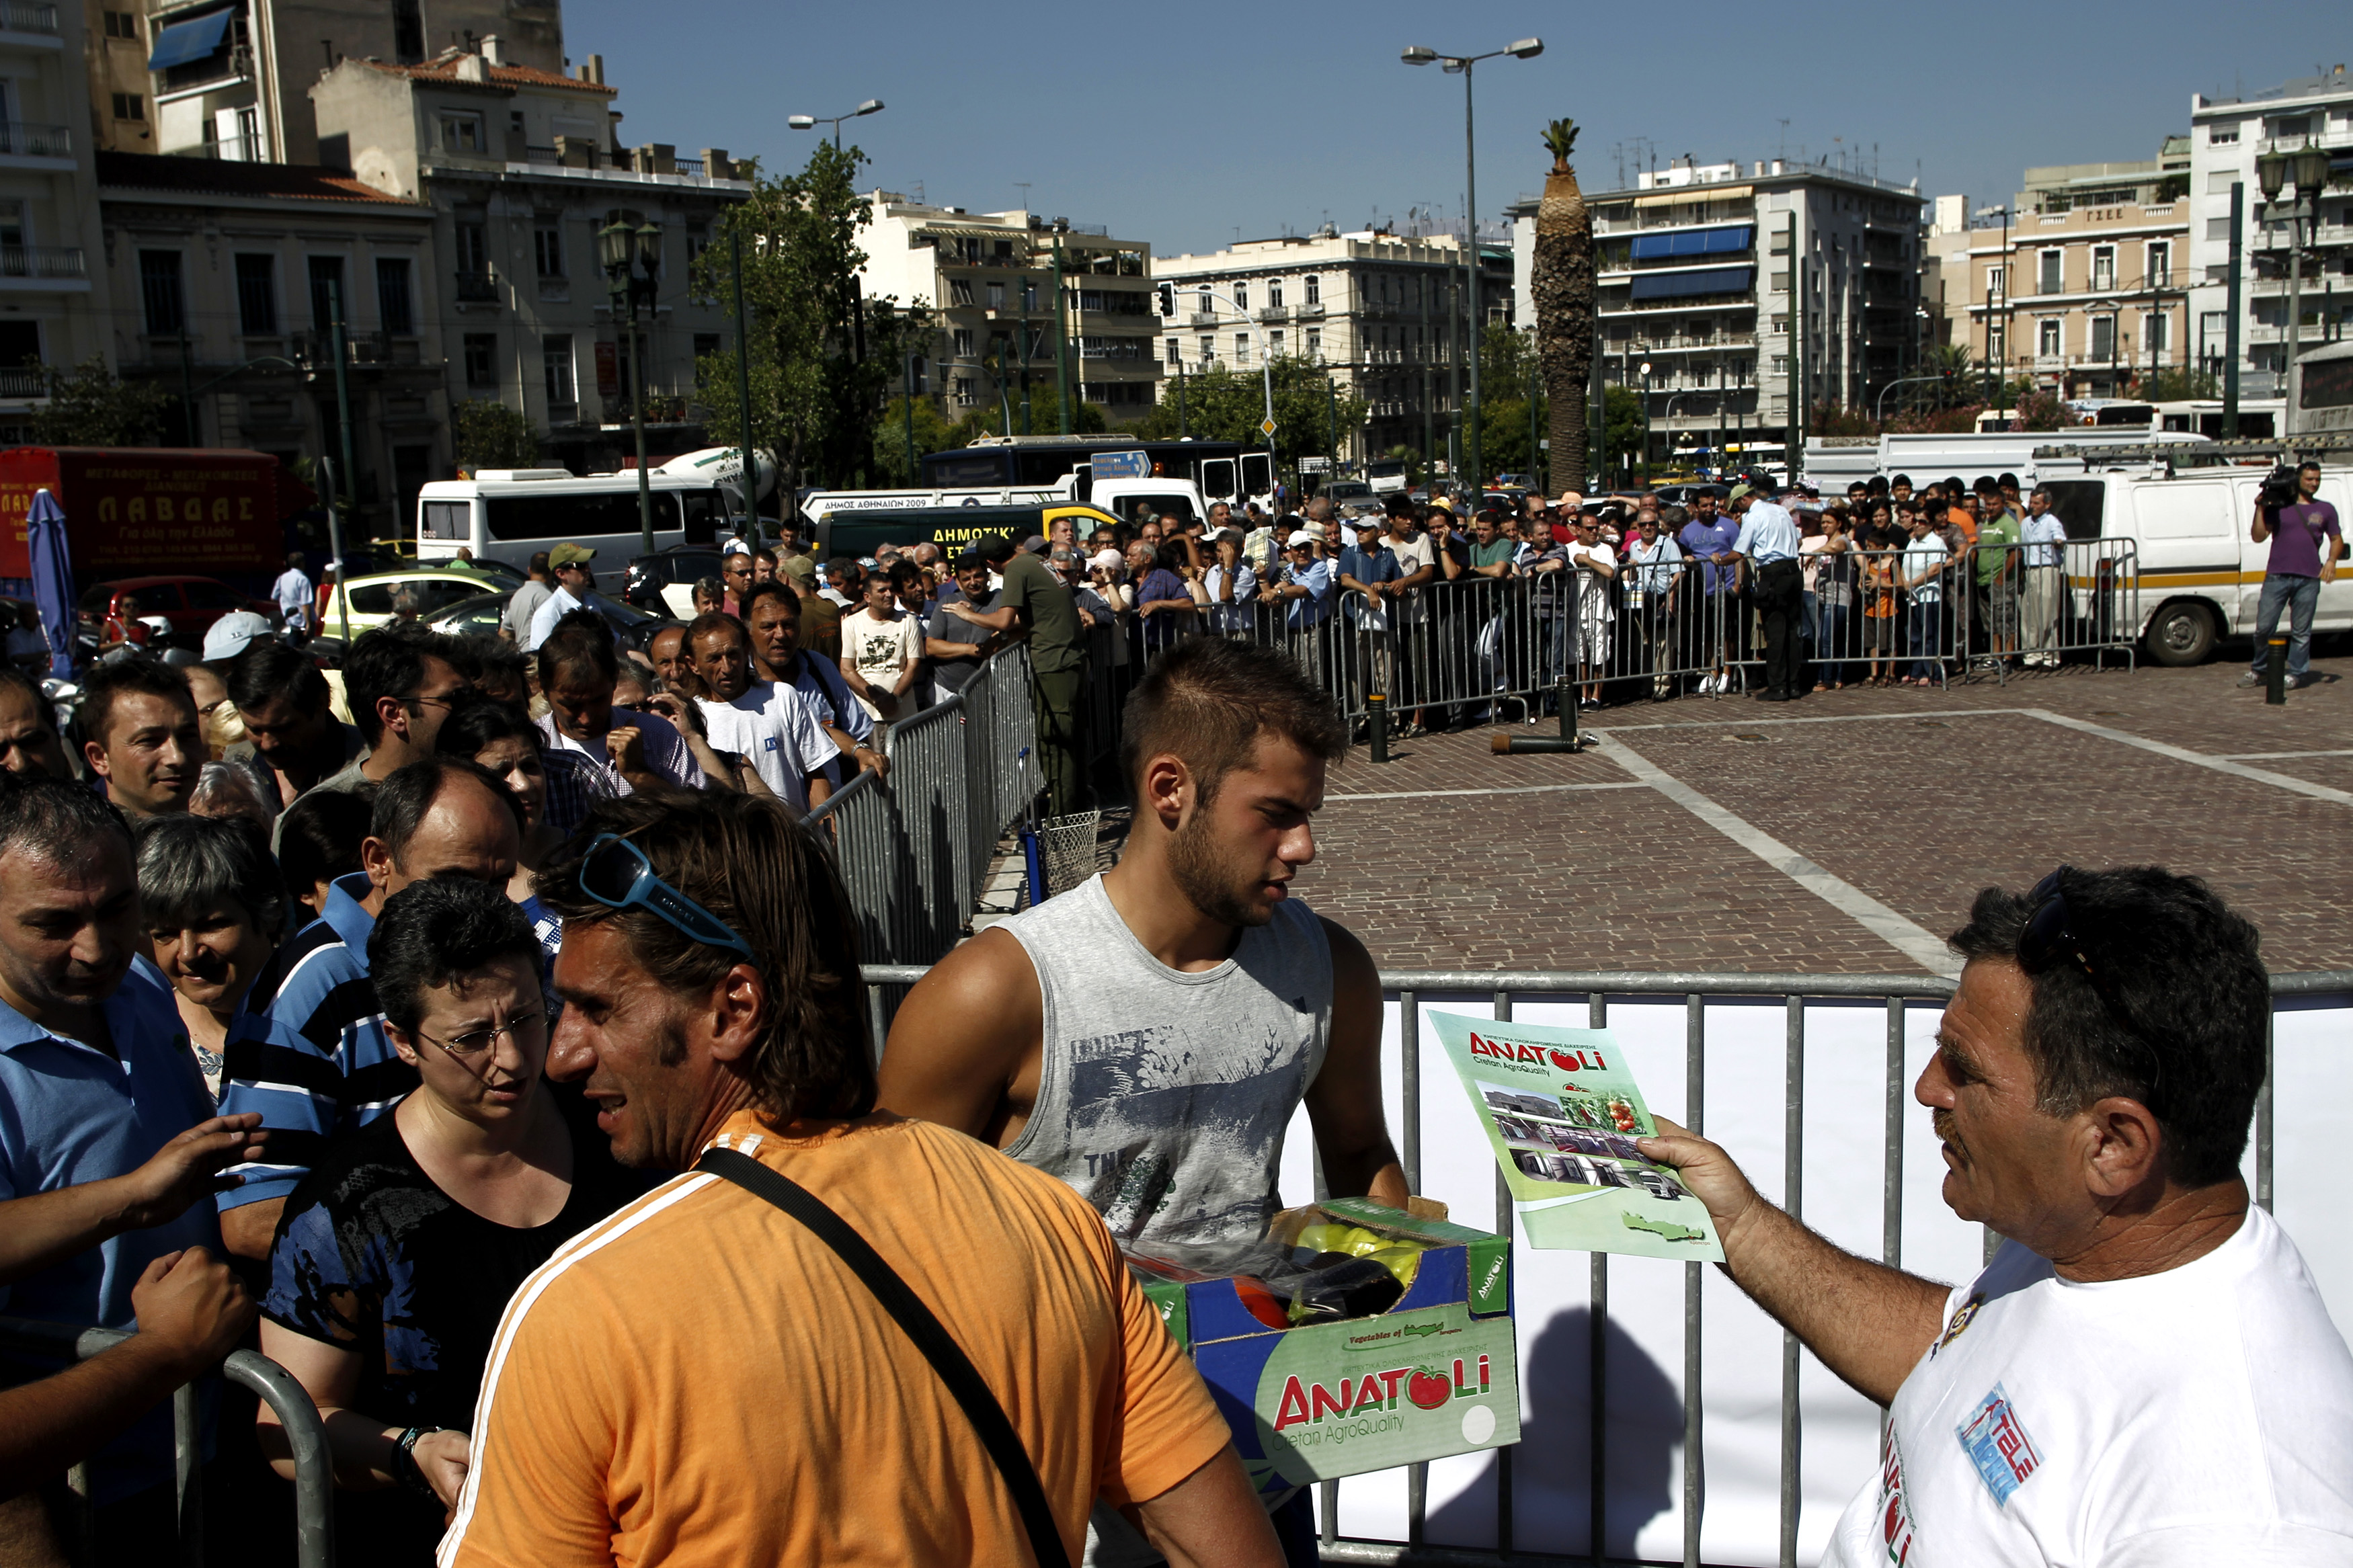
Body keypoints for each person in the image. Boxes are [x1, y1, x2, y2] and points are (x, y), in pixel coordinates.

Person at [438, 790, 1282, 1568]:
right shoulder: (1050, 1222)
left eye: (597, 1008)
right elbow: (1231, 1549)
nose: (560, 1053)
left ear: (732, 1009)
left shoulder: (582, 1314)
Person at [1640, 867, 2353, 1565]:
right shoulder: (2086, 1239)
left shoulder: (2235, 1517)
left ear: (2111, 1143)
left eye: (1962, 1068)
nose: (1926, 1088)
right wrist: (1736, 1225)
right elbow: (1952, 1357)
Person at [880, 640, 1400, 1559]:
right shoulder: (995, 993)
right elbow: (885, 1254)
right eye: (1276, 814)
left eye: (1308, 815)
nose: (1305, 847)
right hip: (1046, 1481)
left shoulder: (1330, 970)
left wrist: (1391, 1301)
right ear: (1171, 790)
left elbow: (1360, 1151)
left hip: (1251, 1458)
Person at [257, 876, 645, 1563]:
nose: (511, 1057)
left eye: (527, 1016)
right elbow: (288, 1421)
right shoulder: (348, 1205)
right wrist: (410, 1449)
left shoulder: (611, 1125)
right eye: (470, 1037)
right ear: (401, 1041)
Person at [0, 776, 270, 1555]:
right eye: (52, 923)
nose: (94, 945)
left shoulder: (140, 983)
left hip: (212, 1441)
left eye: (116, 909)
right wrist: (131, 1197)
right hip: (78, 1487)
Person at [214, 758, 524, 1261]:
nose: (480, 909)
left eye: (498, 884)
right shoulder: (308, 989)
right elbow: (254, 1215)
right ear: (380, 860)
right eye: (452, 880)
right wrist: (447, 1242)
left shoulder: (496, 958)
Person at [137, 813, 285, 1102]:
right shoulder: (148, 1031)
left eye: (211, 926)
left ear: (267, 913)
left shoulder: (323, 1010)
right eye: (165, 933)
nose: (189, 953)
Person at [947, 532, 1086, 817]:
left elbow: (1005, 619)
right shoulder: (1033, 561)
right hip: (1063, 659)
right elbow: (1034, 618)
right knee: (1056, 737)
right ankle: (1064, 808)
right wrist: (998, 642)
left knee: (1057, 737)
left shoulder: (1017, 569)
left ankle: (1063, 816)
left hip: (1055, 662)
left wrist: (967, 615)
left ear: (990, 563)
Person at [436, 694, 590, 932]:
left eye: (530, 766)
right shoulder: (444, 885)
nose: (524, 785)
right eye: (501, 772)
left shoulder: (589, 861)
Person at [535, 624, 712, 798]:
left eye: (598, 700)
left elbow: (698, 816)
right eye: (572, 705)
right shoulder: (533, 747)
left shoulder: (660, 738)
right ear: (543, 690)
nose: (586, 719)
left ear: (614, 682)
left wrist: (638, 773)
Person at [742, 580, 883, 788]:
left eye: (788, 624)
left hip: (834, 811)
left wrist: (862, 753)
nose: (780, 635)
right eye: (768, 626)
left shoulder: (820, 668)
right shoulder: (737, 684)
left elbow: (858, 731)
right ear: (747, 630)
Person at [686, 613, 833, 813]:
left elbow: (815, 772)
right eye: (714, 659)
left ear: (746, 650)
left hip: (794, 838)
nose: (727, 668)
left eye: (733, 655)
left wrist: (826, 828)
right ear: (693, 664)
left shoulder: (782, 697)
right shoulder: (690, 721)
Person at [313, 624, 476, 802]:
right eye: (456, 697)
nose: (474, 707)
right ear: (393, 714)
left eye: (474, 695)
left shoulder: (482, 789)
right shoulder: (321, 817)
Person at [224, 641, 366, 811]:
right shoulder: (235, 766)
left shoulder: (369, 765)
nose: (268, 744)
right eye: (255, 730)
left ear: (320, 704)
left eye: (282, 729)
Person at [2239, 460, 2341, 692]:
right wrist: (2261, 507)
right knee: (2264, 627)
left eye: (2317, 479)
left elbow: (2336, 538)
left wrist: (2332, 561)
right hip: (2277, 576)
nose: (2314, 483)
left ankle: (2296, 672)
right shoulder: (2280, 506)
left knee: (2301, 631)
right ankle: (2260, 669)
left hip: (2308, 578)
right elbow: (2258, 536)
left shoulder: (2325, 509)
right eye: (2309, 479)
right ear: (2298, 480)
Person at [77, 657, 204, 819]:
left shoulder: (233, 842)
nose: (177, 757)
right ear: (100, 758)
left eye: (187, 736)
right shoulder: (78, 843)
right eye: (150, 741)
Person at [1730, 481, 1804, 703]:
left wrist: (1721, 560)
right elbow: (1797, 540)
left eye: (1736, 506)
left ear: (1744, 499)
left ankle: (1778, 686)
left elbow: (1739, 552)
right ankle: (1793, 685)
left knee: (1775, 634)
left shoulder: (1753, 517)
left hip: (1773, 574)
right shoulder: (1780, 510)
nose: (1737, 511)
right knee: (1791, 631)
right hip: (1793, 571)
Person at [837, 567, 923, 723]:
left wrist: (895, 698)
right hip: (867, 714)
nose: (889, 595)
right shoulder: (852, 624)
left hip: (903, 713)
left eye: (891, 590)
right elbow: (847, 668)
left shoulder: (908, 621)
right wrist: (876, 699)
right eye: (882, 591)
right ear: (867, 597)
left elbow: (914, 665)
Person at [1678, 489, 1741, 692]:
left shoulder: (1729, 526)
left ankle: (1727, 673)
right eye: (1705, 505)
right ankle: (1711, 671)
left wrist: (1737, 586)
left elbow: (1739, 555)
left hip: (1725, 587)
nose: (1709, 509)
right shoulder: (1688, 531)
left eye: (1712, 504)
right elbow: (1684, 554)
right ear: (1696, 507)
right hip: (1701, 590)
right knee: (1707, 634)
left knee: (1726, 633)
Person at [924, 552, 1003, 697]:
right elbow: (931, 647)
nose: (973, 582)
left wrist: (971, 616)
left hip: (987, 688)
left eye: (978, 576)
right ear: (958, 582)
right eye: (966, 579)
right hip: (947, 689)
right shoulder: (948, 602)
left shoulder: (999, 599)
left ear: (987, 576)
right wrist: (970, 649)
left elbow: (1007, 630)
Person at [1562, 512, 1618, 710]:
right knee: (1579, 656)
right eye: (1590, 528)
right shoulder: (1568, 549)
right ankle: (1584, 695)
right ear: (1578, 530)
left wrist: (1588, 561)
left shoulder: (1605, 549)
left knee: (1599, 655)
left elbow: (1609, 572)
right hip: (1576, 610)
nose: (1595, 532)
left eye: (1597, 527)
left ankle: (1597, 696)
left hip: (1599, 610)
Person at [2018, 486, 2069, 670]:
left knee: (2047, 614)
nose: (2033, 506)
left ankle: (2050, 657)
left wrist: (2058, 542)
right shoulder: (2026, 523)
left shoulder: (2052, 522)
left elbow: (2059, 538)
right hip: (2030, 569)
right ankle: (2032, 656)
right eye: (2031, 502)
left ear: (2047, 504)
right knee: (2029, 614)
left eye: (2037, 503)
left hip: (2047, 569)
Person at [1973, 477, 2022, 670]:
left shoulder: (2009, 524)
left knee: (2005, 620)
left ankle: (2008, 658)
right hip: (1984, 579)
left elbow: (2016, 552)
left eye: (1995, 504)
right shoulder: (1986, 523)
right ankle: (1995, 656)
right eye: (1988, 505)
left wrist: (2001, 576)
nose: (1991, 508)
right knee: (1991, 623)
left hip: (2001, 581)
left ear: (2003, 504)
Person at [1900, 506, 1952, 687]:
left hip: (1929, 596)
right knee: (1914, 636)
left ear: (1930, 525)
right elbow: (1905, 564)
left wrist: (1913, 582)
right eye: (1916, 521)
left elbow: (1935, 569)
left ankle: (1930, 671)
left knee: (1929, 636)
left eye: (1923, 522)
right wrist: (1905, 583)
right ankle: (1916, 669)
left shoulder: (1936, 542)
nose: (1918, 525)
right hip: (1912, 596)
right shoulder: (1912, 541)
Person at [525, 546, 604, 653]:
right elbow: (544, 660)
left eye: (587, 564)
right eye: (580, 566)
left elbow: (614, 645)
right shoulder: (548, 614)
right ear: (561, 574)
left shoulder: (592, 605)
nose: (588, 569)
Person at [1135, 540, 1197, 654]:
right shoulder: (1127, 579)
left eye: (1132, 555)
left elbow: (1188, 603)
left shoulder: (1165, 577)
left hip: (1159, 646)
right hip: (1132, 644)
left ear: (1147, 558)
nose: (1127, 558)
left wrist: (1158, 604)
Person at [500, 554, 553, 646]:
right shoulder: (546, 597)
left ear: (529, 570)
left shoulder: (518, 595)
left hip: (522, 656)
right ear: (551, 572)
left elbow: (504, 633)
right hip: (538, 655)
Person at [273, 551, 315, 638]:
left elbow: (274, 597)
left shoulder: (282, 578)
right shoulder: (303, 580)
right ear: (302, 563)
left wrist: (285, 604)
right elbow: (305, 604)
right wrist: (308, 624)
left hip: (287, 621)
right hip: (301, 622)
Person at [719, 549, 754, 616]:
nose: (749, 577)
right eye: (742, 573)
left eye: (752, 572)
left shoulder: (759, 603)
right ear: (727, 576)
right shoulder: (718, 605)